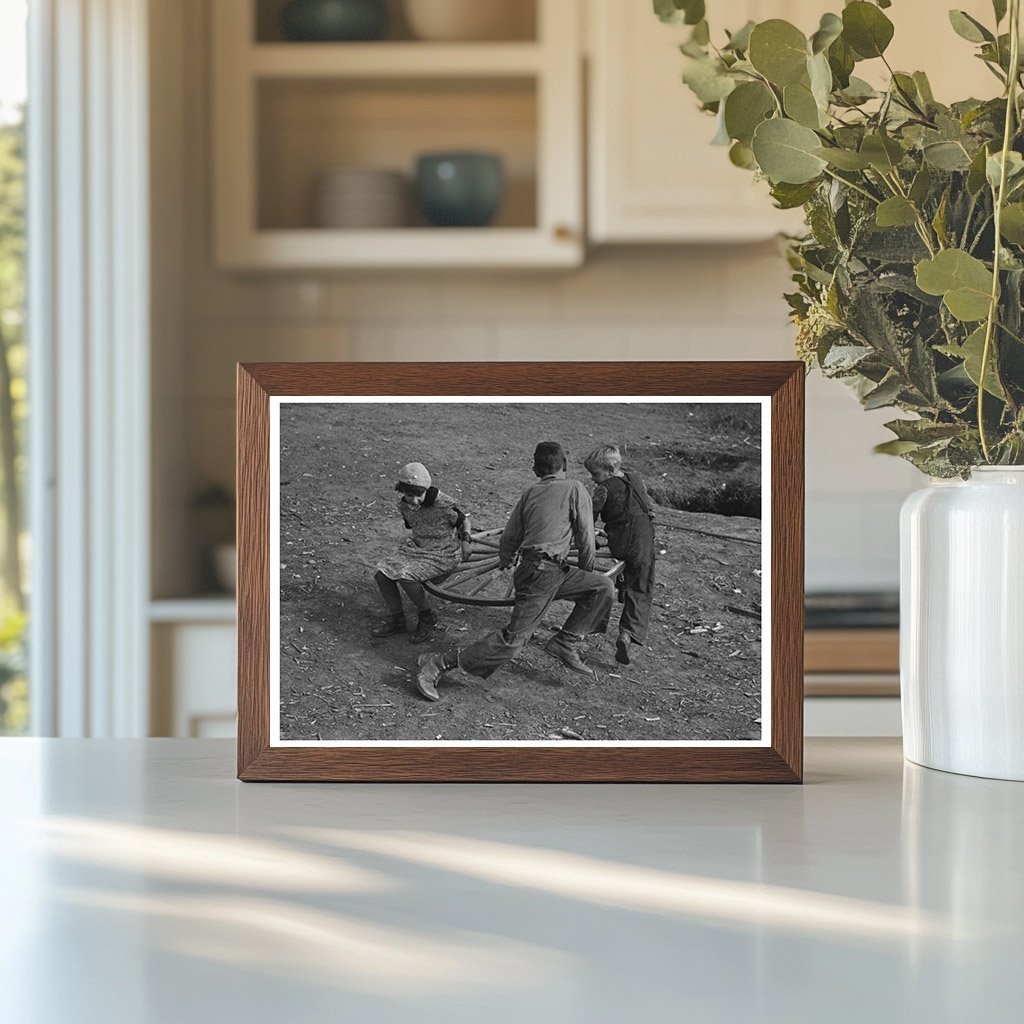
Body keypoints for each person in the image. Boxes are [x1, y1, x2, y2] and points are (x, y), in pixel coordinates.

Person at [415, 441, 615, 701]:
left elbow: (509, 537)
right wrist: (586, 568)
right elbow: (586, 538)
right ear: (565, 466)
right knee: (514, 641)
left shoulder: (530, 492)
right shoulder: (576, 488)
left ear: (535, 470)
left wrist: (507, 559)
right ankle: (438, 662)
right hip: (544, 573)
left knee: (601, 587)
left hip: (544, 570)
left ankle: (565, 641)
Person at [371, 462, 472, 645]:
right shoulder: (405, 506)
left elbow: (464, 522)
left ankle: (426, 616)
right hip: (417, 548)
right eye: (409, 495)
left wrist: (465, 541)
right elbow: (413, 525)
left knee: (406, 577)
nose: (414, 501)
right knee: (382, 574)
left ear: (426, 490)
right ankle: (398, 621)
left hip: (443, 552)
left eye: (419, 495)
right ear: (402, 491)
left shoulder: (443, 505)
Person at [583, 444, 656, 665]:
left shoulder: (604, 488)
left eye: (595, 474)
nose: (594, 479)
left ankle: (621, 586)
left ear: (608, 469)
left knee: (625, 564)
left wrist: (589, 538)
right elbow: (649, 508)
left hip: (622, 541)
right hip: (645, 540)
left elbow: (590, 516)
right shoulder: (636, 480)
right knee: (642, 586)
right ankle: (627, 633)